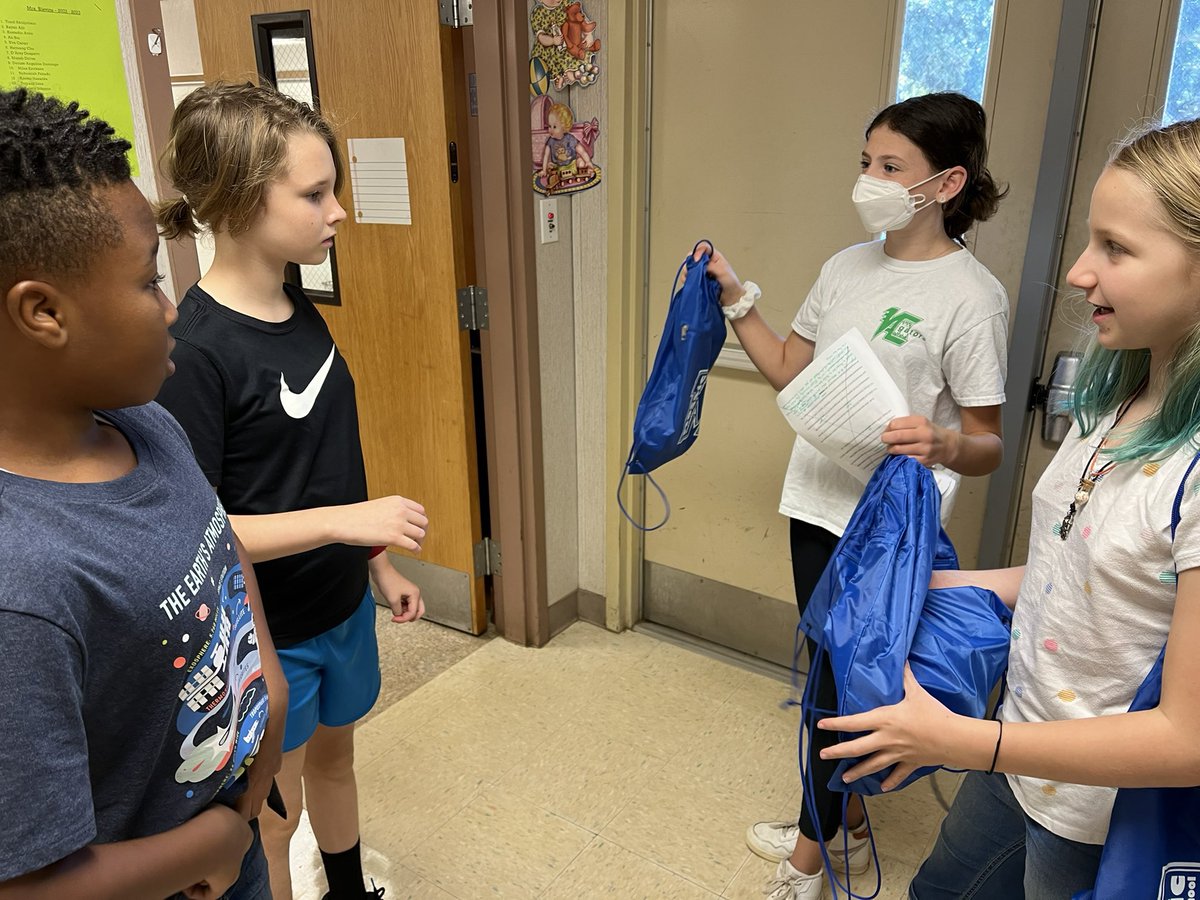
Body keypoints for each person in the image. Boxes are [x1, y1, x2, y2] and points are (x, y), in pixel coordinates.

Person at [818, 117, 1200, 899]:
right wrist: (948, 589)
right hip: (1017, 753)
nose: (1077, 273)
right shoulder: (1117, 397)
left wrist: (960, 739)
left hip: (1094, 813)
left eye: (1116, 249)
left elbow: (1187, 738)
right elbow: (1083, 571)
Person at [699, 92, 1010, 900]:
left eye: (890, 167)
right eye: (866, 161)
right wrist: (737, 296)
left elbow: (989, 443)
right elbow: (789, 371)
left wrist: (943, 443)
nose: (869, 179)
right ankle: (845, 824)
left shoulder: (973, 297)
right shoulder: (845, 268)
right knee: (827, 679)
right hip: (815, 502)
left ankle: (811, 862)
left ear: (946, 184)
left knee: (843, 692)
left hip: (892, 532)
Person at [0, 87, 287, 899]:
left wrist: (268, 676)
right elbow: (29, 886)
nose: (170, 309)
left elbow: (218, 543)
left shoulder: (143, 423)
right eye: (146, 282)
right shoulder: (21, 589)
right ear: (44, 312)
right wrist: (212, 846)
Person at [154, 81, 429, 900]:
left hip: (340, 603)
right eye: (314, 194)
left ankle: (347, 891)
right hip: (268, 635)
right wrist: (352, 522)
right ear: (241, 201)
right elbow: (203, 536)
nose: (337, 211)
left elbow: (325, 458)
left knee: (340, 757)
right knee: (275, 808)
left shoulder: (295, 301)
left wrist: (374, 559)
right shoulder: (196, 354)